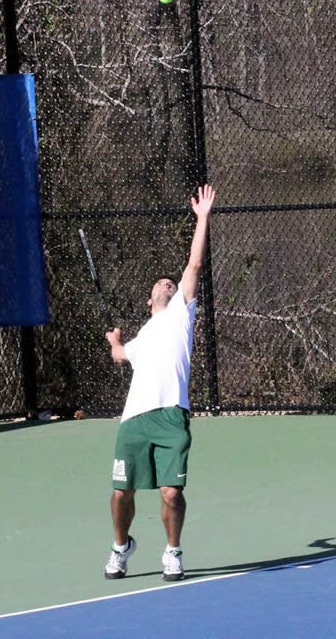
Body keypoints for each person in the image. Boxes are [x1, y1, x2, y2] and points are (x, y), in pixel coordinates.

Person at [104, 184, 216, 582]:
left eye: (172, 283)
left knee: (171, 493)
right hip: (133, 421)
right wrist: (115, 342)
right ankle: (121, 547)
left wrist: (202, 218)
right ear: (149, 300)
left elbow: (195, 265)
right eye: (161, 284)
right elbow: (121, 355)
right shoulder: (141, 339)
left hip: (171, 417)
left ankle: (173, 551)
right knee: (121, 493)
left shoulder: (181, 315)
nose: (168, 284)